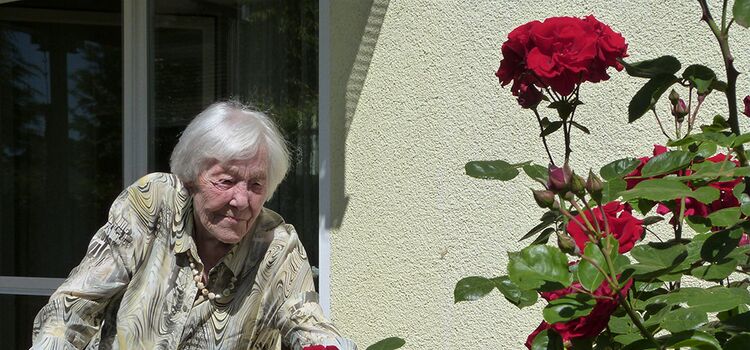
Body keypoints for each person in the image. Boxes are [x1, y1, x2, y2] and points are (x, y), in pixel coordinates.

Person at [31, 101, 356, 350]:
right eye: (226, 181)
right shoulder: (153, 205)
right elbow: (76, 306)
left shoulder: (275, 244)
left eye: (256, 186)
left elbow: (306, 319)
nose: (242, 201)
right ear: (190, 178)